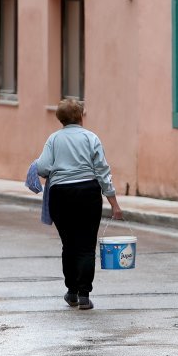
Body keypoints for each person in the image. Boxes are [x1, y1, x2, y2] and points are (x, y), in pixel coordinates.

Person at [36, 99, 123, 310]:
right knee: (86, 245)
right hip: (88, 193)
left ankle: (71, 291)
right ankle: (84, 294)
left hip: (61, 194)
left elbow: (42, 167)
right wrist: (114, 203)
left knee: (69, 245)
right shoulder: (90, 138)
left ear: (61, 119)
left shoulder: (54, 139)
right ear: (80, 116)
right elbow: (103, 171)